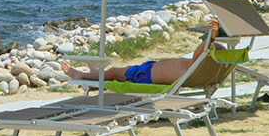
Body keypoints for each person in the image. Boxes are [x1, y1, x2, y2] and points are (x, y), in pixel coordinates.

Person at [59, 19, 221, 86]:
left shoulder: (195, 64)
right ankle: (96, 72)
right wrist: (211, 38)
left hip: (146, 75)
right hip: (148, 69)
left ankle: (82, 76)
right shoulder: (203, 68)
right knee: (116, 72)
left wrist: (211, 36)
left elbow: (201, 51)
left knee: (115, 72)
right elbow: (201, 52)